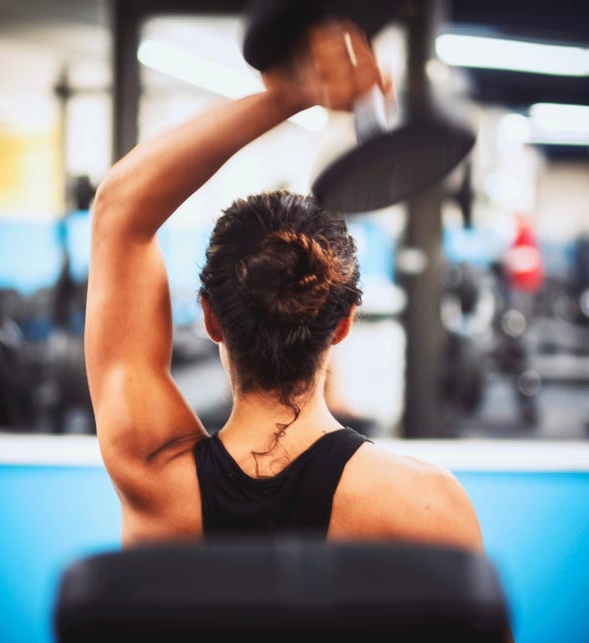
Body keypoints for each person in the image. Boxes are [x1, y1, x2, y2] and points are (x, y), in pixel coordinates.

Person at [84, 19, 484, 552]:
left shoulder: (154, 479)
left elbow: (118, 211)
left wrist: (290, 95)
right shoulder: (426, 505)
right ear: (342, 325)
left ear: (210, 318)